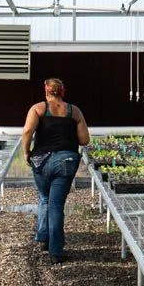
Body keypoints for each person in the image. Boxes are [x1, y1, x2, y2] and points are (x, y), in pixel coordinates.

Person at [21, 78, 90, 264]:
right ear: (62, 91)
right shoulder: (74, 111)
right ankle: (56, 251)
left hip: (41, 160)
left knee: (44, 198)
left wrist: (26, 152)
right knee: (56, 204)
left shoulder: (38, 109)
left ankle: (44, 238)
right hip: (66, 160)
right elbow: (84, 140)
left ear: (46, 91)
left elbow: (27, 131)